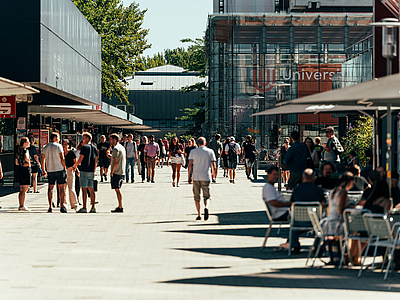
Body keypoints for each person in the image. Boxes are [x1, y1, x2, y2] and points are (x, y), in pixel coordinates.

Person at [289, 168, 325, 253]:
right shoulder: (318, 190)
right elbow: (322, 205)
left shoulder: (296, 189)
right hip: (315, 221)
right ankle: (317, 246)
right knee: (322, 223)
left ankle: (295, 245)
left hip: (298, 221)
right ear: (314, 178)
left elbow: (292, 204)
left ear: (302, 178)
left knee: (292, 221)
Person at [188, 137, 217, 221]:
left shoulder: (193, 152)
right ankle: (206, 207)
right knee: (207, 196)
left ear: (197, 143)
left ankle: (199, 214)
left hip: (196, 176)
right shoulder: (210, 151)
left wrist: (189, 176)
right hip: (206, 176)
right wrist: (213, 174)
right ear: (205, 143)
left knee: (197, 197)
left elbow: (190, 165)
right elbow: (213, 165)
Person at [70, 132, 97, 213]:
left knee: (84, 189)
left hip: (84, 170)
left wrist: (73, 167)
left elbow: (80, 159)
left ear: (88, 138)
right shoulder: (94, 147)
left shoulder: (84, 147)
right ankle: (93, 207)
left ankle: (84, 207)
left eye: (83, 138)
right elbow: (96, 160)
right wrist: (94, 169)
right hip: (91, 170)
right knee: (91, 189)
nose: (82, 140)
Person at [42, 133, 67, 213]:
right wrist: (65, 167)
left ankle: (50, 206)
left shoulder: (45, 147)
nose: (59, 139)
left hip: (50, 169)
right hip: (59, 169)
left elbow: (43, 159)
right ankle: (62, 206)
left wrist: (43, 169)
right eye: (58, 138)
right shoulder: (58, 146)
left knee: (50, 188)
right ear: (55, 138)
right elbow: (62, 158)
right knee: (61, 188)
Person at [324, 172, 354, 237]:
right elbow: (341, 210)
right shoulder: (343, 192)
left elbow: (328, 209)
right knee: (357, 230)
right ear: (350, 181)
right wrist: (352, 208)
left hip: (329, 222)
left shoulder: (333, 191)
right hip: (339, 223)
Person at [109, 133, 126, 213]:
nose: (110, 141)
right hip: (122, 171)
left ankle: (120, 206)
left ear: (115, 140)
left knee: (117, 189)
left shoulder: (115, 149)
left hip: (117, 172)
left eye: (111, 139)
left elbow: (116, 162)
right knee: (117, 189)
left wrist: (112, 172)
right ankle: (120, 205)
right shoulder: (121, 147)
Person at [15, 137, 32, 211]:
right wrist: (28, 163)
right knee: (25, 189)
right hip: (25, 170)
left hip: (20, 169)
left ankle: (20, 204)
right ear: (24, 143)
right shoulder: (26, 150)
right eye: (28, 142)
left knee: (21, 189)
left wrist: (21, 164)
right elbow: (26, 158)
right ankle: (23, 205)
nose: (29, 143)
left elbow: (16, 162)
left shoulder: (18, 151)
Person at [62, 139, 79, 211]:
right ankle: (64, 205)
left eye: (66, 144)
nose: (65, 146)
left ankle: (74, 204)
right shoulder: (61, 153)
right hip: (62, 171)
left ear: (68, 145)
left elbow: (75, 162)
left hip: (70, 171)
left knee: (71, 188)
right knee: (63, 189)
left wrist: (74, 169)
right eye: (63, 144)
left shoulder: (71, 152)